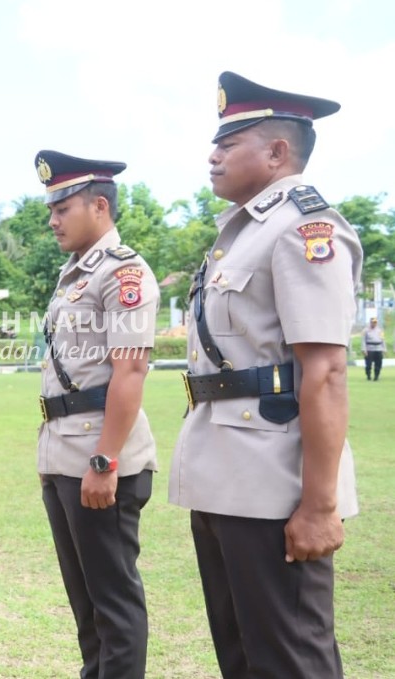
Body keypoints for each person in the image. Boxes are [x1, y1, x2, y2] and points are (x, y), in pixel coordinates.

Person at [170, 72, 362, 678]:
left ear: (277, 152)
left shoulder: (306, 229)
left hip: (276, 484)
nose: (212, 154)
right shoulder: (243, 233)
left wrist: (319, 506)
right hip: (227, 475)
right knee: (245, 658)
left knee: (289, 659)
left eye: (228, 142)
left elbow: (326, 370)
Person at [34, 150, 160, 678]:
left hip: (100, 458)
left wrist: (104, 461)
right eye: (51, 208)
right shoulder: (74, 274)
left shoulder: (123, 272)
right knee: (87, 607)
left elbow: (129, 373)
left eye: (63, 207)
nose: (53, 219)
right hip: (65, 452)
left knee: (114, 605)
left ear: (100, 205)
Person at [361, 316, 385, 380]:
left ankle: (376, 376)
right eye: (373, 322)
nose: (374, 323)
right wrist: (364, 349)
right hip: (369, 349)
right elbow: (363, 340)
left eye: (375, 322)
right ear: (370, 322)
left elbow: (383, 340)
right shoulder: (365, 330)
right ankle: (368, 375)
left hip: (378, 348)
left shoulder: (380, 330)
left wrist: (384, 349)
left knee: (378, 364)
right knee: (368, 364)